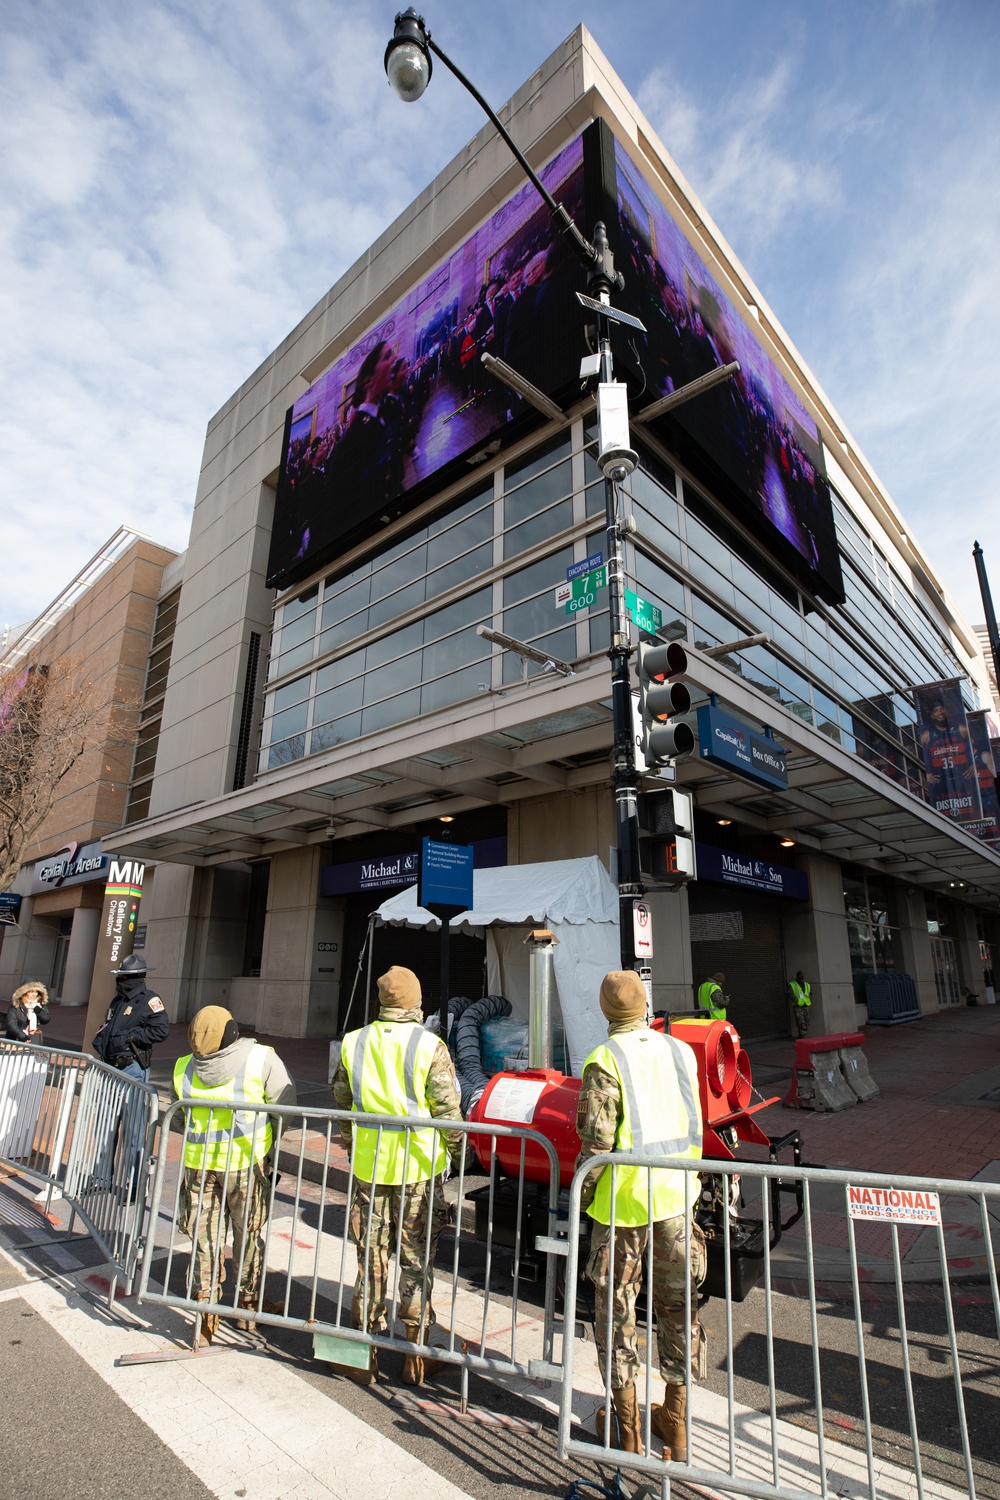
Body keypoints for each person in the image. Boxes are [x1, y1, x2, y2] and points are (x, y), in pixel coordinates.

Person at [577, 970, 706, 1459]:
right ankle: (675, 1422)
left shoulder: (605, 1059)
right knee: (679, 1312)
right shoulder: (680, 1051)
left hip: (623, 1208)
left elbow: (597, 1143)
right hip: (678, 1200)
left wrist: (582, 1195)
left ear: (607, 1011)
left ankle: (626, 1428)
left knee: (617, 1314)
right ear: (646, 1004)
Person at [331, 965, 463, 1386]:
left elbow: (341, 1099)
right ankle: (415, 1356)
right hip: (418, 1172)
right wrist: (459, 1154)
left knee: (370, 1258)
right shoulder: (430, 1046)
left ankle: (361, 1353)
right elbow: (447, 1110)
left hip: (370, 1169)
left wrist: (351, 1141)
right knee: (416, 1261)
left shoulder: (353, 1042)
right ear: (415, 1002)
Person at [173, 1005, 296, 1345]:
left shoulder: (183, 1067)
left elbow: (178, 1118)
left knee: (204, 1242)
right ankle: (248, 1307)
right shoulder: (260, 1058)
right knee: (248, 1237)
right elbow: (286, 1107)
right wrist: (271, 1140)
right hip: (246, 1166)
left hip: (198, 1168)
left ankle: (205, 1313)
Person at [91, 952, 169, 1081]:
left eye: (124, 976)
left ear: (138, 976)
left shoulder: (149, 1000)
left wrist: (132, 1037)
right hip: (109, 1065)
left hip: (131, 1067)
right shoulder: (118, 1000)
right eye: (120, 975)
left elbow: (161, 1031)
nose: (120, 979)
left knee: (129, 1101)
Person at [788, 970, 812, 1038]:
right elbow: (790, 994)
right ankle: (802, 1038)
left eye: (802, 978)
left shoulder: (807, 985)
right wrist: (796, 1000)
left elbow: (810, 993)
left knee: (806, 1023)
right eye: (800, 978)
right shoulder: (793, 985)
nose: (802, 980)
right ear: (797, 978)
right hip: (798, 1006)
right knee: (801, 1023)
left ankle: (801, 1037)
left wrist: (809, 999)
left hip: (806, 1005)